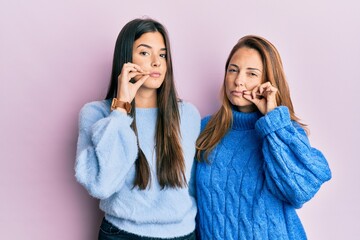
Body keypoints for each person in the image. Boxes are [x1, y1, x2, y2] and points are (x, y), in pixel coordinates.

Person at [75, 18, 200, 240]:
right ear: (126, 59)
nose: (156, 62)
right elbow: (101, 186)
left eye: (162, 55)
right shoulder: (96, 114)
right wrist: (121, 108)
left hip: (182, 234)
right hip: (121, 234)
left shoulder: (188, 115)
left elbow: (191, 187)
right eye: (144, 53)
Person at [195, 35, 331, 239]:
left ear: (267, 81)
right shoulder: (206, 129)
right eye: (233, 70)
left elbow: (299, 191)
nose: (238, 80)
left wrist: (272, 121)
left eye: (251, 74)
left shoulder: (284, 130)